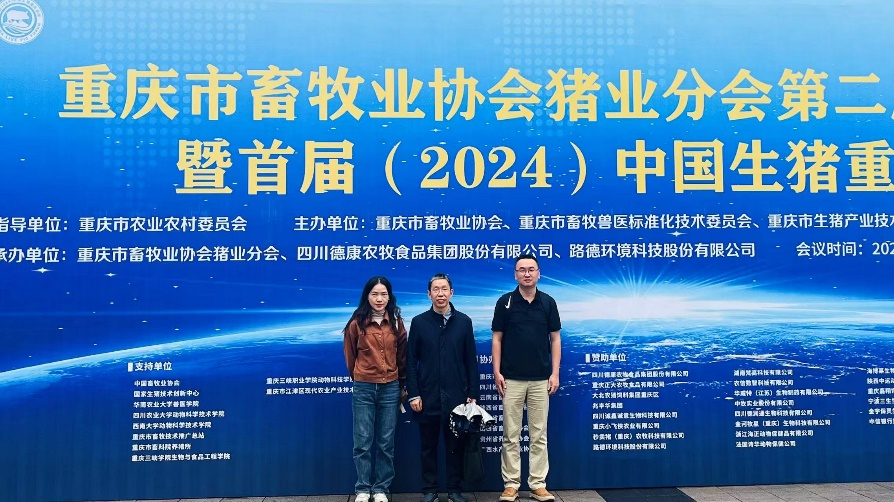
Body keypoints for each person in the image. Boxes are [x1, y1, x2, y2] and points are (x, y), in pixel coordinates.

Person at [491, 255, 562, 502]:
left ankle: (537, 484)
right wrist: (497, 371)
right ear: (515, 274)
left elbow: (555, 339)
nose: (527, 274)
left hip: (541, 379)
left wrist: (555, 373)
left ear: (539, 273)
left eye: (531, 269)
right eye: (522, 270)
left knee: (538, 434)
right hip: (511, 379)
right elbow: (497, 338)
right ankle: (511, 484)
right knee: (510, 435)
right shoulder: (505, 302)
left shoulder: (548, 302)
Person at [406, 274, 480, 502]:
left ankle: (454, 490)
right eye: (436, 289)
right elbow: (411, 361)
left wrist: (473, 394)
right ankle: (429, 490)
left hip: (457, 396)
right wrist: (414, 394)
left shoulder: (464, 322)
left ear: (451, 292)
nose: (440, 293)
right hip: (427, 396)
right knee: (428, 447)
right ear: (429, 294)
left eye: (444, 289)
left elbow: (471, 360)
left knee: (455, 446)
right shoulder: (419, 322)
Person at [343, 276, 408, 502]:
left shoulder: (397, 322)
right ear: (367, 296)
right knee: (362, 441)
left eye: (383, 294)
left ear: (389, 297)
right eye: (374, 294)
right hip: (364, 387)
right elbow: (350, 357)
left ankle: (381, 488)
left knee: (385, 442)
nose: (379, 299)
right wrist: (362, 376)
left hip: (391, 387)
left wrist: (402, 384)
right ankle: (362, 488)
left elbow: (402, 356)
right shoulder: (356, 323)